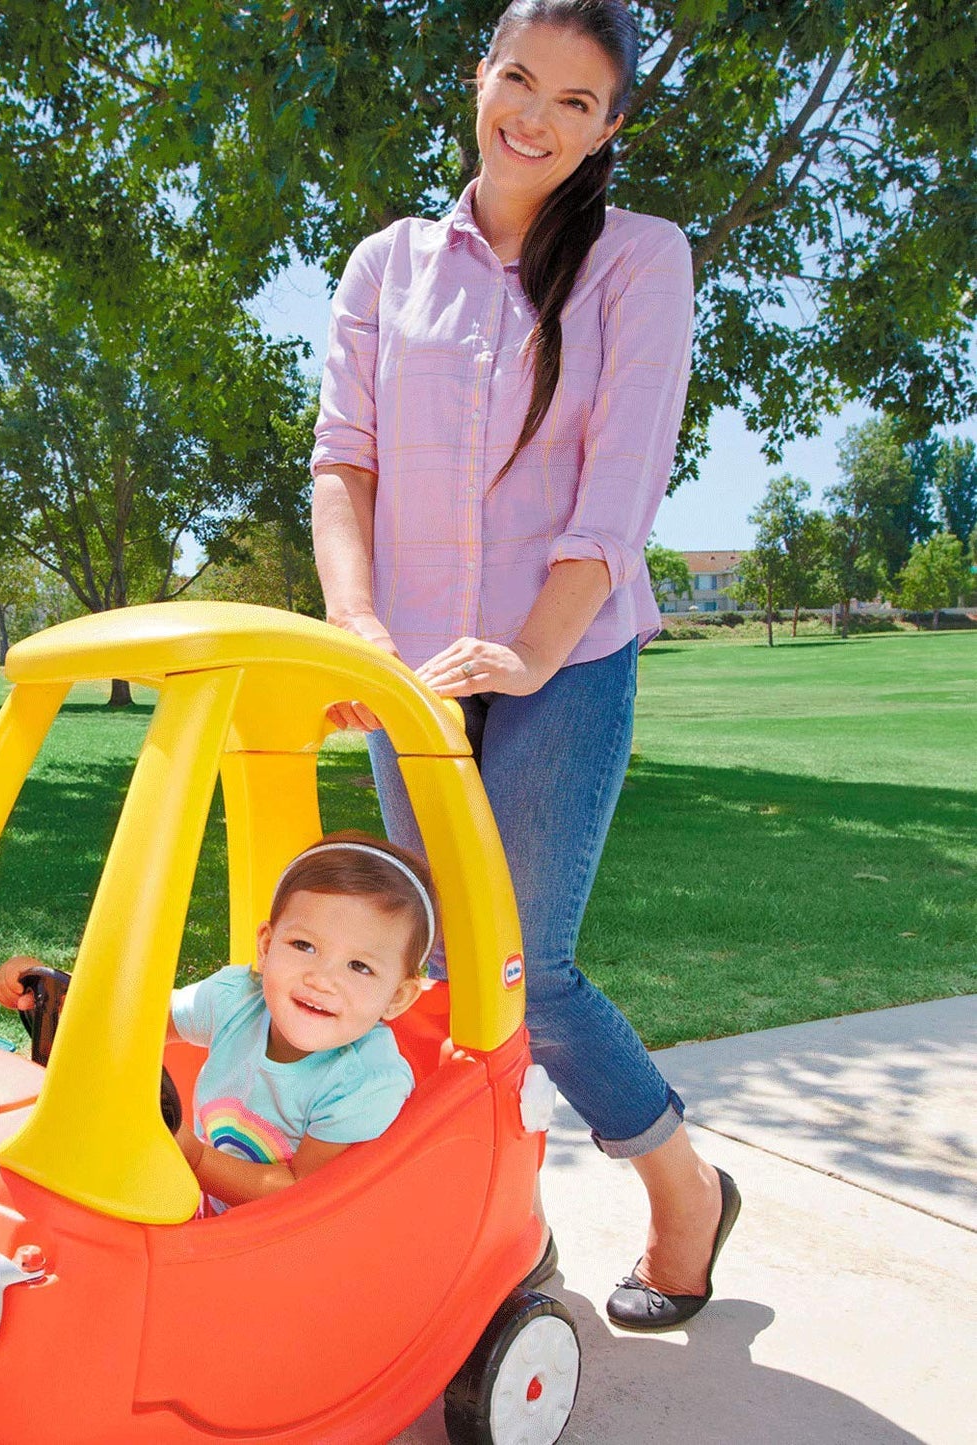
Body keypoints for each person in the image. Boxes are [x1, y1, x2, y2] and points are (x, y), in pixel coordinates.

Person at [310, 0, 739, 1330]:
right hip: (413, 681)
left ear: (611, 127)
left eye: (573, 101)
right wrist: (360, 630)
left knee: (527, 971)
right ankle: (497, 1229)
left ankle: (684, 1198)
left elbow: (618, 485)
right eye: (516, 80)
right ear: (477, 77)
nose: (533, 117)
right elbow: (344, 463)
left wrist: (537, 646)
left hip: (568, 655)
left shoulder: (637, 259)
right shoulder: (388, 264)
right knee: (433, 972)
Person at [0, 832, 435, 1214]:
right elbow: (134, 1025)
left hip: (295, 1249)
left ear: (397, 997)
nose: (321, 979)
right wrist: (53, 993)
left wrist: (192, 1156)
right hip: (208, 1209)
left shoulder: (366, 1081)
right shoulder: (236, 1000)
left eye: (359, 967)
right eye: (304, 945)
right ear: (265, 947)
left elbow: (304, 1194)